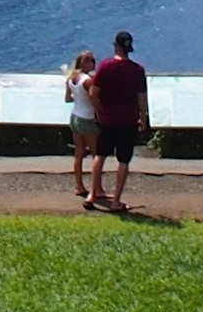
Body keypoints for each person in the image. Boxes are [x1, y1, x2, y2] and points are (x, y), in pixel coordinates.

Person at [88, 32, 149, 213]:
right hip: (128, 121)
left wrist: (98, 110)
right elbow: (141, 98)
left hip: (107, 119)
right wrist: (143, 118)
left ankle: (92, 194)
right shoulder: (137, 70)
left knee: (100, 155)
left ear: (115, 45)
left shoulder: (105, 66)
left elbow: (93, 92)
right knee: (123, 160)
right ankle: (116, 201)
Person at [64, 49, 103, 202]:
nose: (94, 63)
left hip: (75, 116)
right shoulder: (88, 81)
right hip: (87, 119)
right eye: (91, 61)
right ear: (84, 63)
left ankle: (79, 186)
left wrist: (79, 98)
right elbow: (95, 100)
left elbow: (68, 98)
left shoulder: (71, 78)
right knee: (96, 155)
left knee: (79, 153)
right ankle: (97, 189)